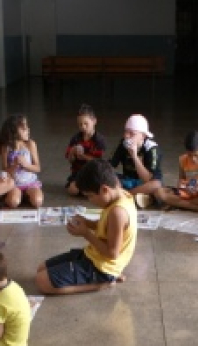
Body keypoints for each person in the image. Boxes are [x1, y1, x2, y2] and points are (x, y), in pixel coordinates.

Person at [35, 159, 137, 295]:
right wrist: (87, 222)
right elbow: (107, 228)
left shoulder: (118, 212)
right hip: (92, 254)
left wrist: (86, 233)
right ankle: (103, 278)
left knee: (42, 282)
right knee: (41, 269)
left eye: (90, 196)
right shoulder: (119, 194)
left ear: (104, 190)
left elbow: (112, 253)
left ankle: (102, 283)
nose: (90, 200)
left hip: (102, 268)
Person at [153, 130, 198, 215]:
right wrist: (184, 187)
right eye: (190, 155)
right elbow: (180, 182)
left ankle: (178, 204)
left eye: (196, 156)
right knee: (159, 192)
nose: (193, 159)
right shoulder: (182, 160)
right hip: (188, 193)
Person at [108, 114, 162, 208]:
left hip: (144, 183)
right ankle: (139, 198)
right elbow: (110, 165)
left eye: (132, 133)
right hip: (128, 180)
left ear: (143, 136)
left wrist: (134, 156)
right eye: (126, 132)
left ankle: (126, 196)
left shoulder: (152, 149)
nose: (127, 136)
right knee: (107, 177)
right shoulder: (123, 145)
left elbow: (147, 179)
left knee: (156, 185)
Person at [0, 114, 44, 209]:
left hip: (30, 182)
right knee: (13, 202)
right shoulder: (6, 148)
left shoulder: (30, 144)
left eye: (27, 127)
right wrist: (14, 165)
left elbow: (38, 168)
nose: (28, 130)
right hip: (14, 184)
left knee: (37, 202)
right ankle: (14, 195)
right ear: (14, 132)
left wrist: (26, 165)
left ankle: (27, 195)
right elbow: (4, 171)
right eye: (23, 129)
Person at [64, 104, 106, 197]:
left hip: (94, 172)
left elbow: (98, 162)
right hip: (78, 172)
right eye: (80, 124)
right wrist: (72, 152)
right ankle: (87, 191)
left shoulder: (99, 140)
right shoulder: (75, 139)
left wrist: (84, 156)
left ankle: (86, 190)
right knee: (72, 190)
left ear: (94, 121)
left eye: (86, 124)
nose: (83, 127)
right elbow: (70, 160)